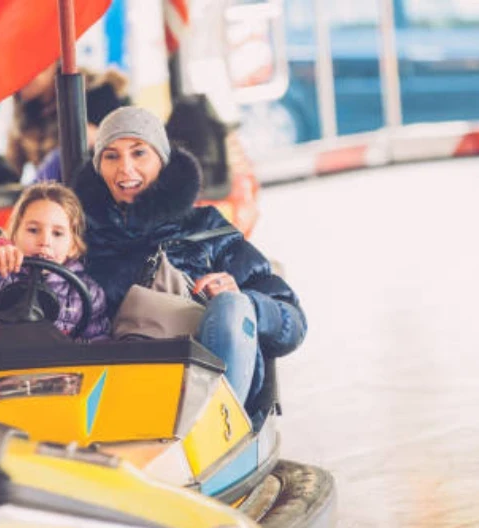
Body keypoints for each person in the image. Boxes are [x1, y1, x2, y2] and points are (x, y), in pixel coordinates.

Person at [73, 107, 307, 424]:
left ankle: (214, 428)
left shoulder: (206, 228)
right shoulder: (78, 238)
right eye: (111, 156)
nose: (125, 168)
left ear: (163, 159)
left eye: (139, 153)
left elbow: (292, 322)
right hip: (116, 398)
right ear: (98, 166)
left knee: (231, 308)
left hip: (207, 401)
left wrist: (244, 300)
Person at [0, 182, 110, 341]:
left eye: (57, 233)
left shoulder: (87, 294)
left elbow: (96, 343)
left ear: (73, 246)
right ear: (14, 236)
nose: (45, 241)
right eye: (33, 230)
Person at [6, 63, 128, 179]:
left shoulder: (98, 96)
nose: (16, 77)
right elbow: (12, 169)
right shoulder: (26, 110)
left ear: (50, 63)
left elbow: (122, 152)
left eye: (22, 66)